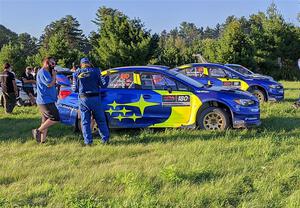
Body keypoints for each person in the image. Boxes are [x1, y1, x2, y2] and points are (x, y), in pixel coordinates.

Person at [72, 57, 110, 145]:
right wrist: (107, 76)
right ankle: (105, 140)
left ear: (81, 64)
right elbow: (103, 85)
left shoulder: (76, 73)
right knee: (100, 120)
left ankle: (88, 142)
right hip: (95, 98)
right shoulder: (96, 71)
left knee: (85, 121)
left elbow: (74, 89)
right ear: (89, 63)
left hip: (83, 99)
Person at [32, 57, 60, 143]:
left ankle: (42, 140)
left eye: (54, 63)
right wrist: (54, 76)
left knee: (45, 121)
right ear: (46, 63)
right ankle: (38, 131)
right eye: (52, 63)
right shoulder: (43, 72)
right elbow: (49, 84)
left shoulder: (48, 72)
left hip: (48, 100)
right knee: (55, 118)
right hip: (45, 101)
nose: (53, 65)